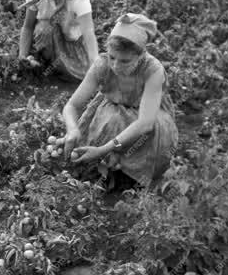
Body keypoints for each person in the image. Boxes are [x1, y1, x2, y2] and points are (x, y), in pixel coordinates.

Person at [60, 13, 178, 186]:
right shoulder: (102, 64)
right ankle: (106, 170)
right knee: (111, 120)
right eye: (112, 57)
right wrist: (72, 129)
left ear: (141, 56)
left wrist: (102, 149)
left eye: (125, 61)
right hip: (112, 107)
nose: (115, 65)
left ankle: (131, 176)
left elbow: (145, 123)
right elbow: (72, 105)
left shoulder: (152, 70)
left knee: (151, 135)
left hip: (146, 114)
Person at [18, 0, 98, 81]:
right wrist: (22, 56)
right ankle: (43, 61)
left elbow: (88, 31)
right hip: (45, 40)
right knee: (44, 27)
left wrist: (95, 61)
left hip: (72, 44)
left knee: (79, 75)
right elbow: (28, 27)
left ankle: (53, 67)